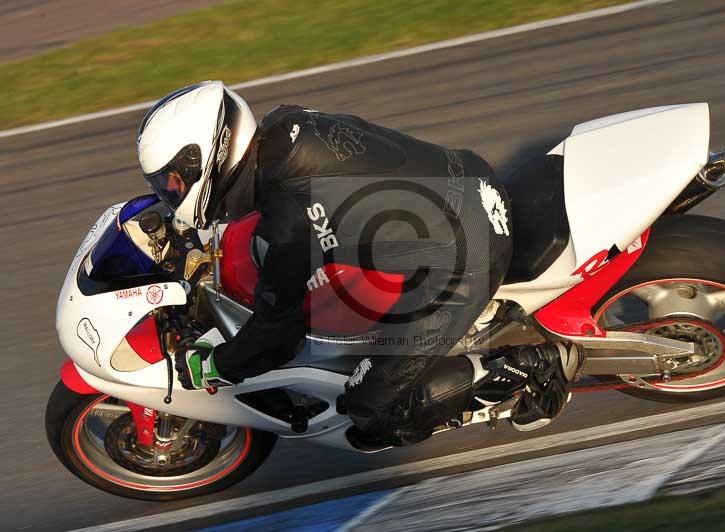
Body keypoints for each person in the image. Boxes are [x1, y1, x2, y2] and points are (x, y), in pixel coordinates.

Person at [136, 80, 577, 447]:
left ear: (207, 158)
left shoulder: (287, 225)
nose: (171, 193)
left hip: (466, 259)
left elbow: (276, 339)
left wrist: (212, 366)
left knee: (369, 410)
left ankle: (529, 367)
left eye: (173, 182)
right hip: (470, 179)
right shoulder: (287, 124)